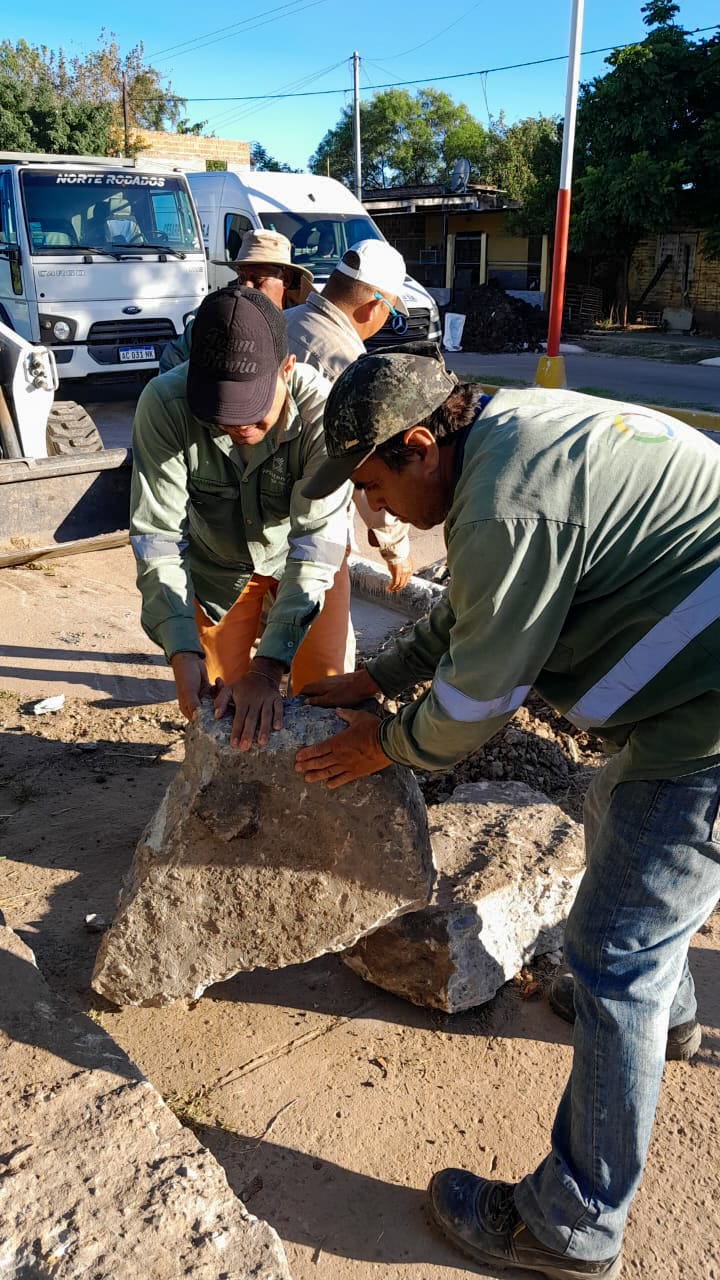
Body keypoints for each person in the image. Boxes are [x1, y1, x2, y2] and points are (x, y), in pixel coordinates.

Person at [294, 346, 720, 1279]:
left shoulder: (503, 502)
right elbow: (477, 615)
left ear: (418, 445)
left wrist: (385, 742)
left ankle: (572, 1224)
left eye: (372, 487)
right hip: (690, 693)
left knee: (615, 956)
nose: (374, 513)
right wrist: (377, 675)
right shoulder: (502, 439)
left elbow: (479, 703)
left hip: (709, 721)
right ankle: (676, 1017)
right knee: (625, 832)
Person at [131, 284, 352, 750]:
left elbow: (316, 545)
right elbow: (157, 535)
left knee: (326, 696)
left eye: (253, 413)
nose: (239, 429)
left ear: (287, 370)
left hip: (306, 563)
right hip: (219, 568)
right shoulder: (165, 405)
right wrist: (181, 649)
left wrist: (268, 668)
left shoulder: (323, 413)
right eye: (223, 419)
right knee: (220, 709)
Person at [285, 239, 414, 591]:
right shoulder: (348, 364)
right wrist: (394, 544)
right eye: (391, 312)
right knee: (327, 644)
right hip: (312, 534)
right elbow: (365, 465)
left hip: (250, 523)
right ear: (375, 306)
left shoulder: (282, 323)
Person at [158, 229, 313, 373]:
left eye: (257, 280)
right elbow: (172, 360)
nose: (246, 286)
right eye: (242, 278)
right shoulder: (215, 315)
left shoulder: (303, 326)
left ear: (285, 279)